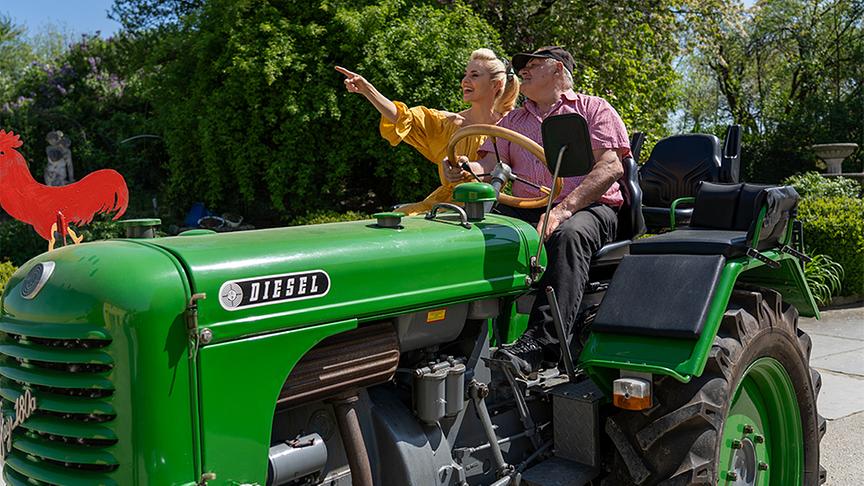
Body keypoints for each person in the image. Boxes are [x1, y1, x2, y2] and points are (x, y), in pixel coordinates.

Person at [447, 46, 630, 376]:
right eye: (522, 67)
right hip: (531, 208)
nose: (523, 72)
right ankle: (462, 335)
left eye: (532, 65)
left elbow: (611, 166)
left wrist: (563, 210)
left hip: (590, 208)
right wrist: (464, 168)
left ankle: (541, 346)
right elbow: (487, 167)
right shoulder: (512, 121)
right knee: (470, 230)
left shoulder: (593, 109)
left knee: (569, 235)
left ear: (558, 69)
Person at [336, 49, 519, 214]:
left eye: (474, 75)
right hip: (444, 207)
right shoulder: (449, 124)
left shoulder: (511, 126)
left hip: (487, 210)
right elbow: (401, 117)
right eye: (465, 74)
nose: (465, 81)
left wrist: (467, 169)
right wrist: (368, 90)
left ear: (496, 84)